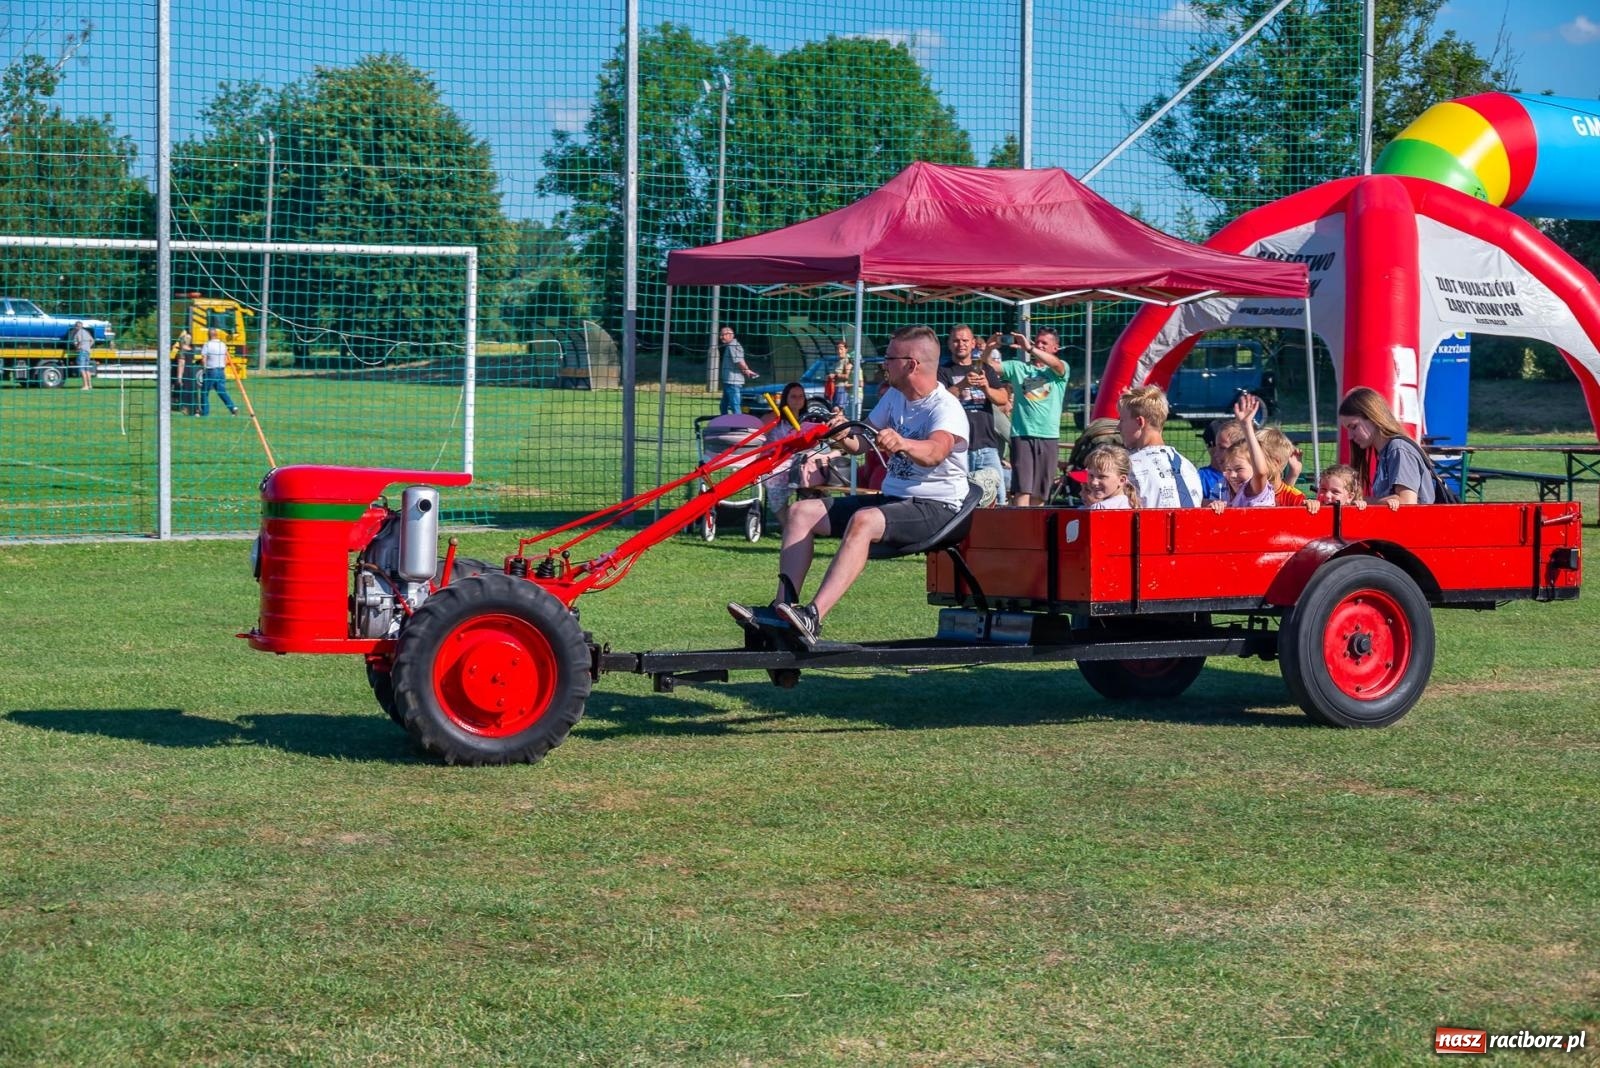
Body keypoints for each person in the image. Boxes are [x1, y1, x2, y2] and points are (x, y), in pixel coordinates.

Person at [730, 324, 968, 648]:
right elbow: (861, 443)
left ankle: (813, 616)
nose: (884, 363)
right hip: (895, 500)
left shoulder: (945, 407)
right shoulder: (896, 397)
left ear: (912, 363)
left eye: (890, 357)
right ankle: (781, 609)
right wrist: (840, 431)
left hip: (936, 508)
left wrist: (902, 442)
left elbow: (936, 452)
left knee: (864, 519)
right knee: (800, 512)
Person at [995, 326, 1068, 507]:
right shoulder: (1017, 367)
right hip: (1023, 435)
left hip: (1048, 437)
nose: (1040, 346)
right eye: (1038, 342)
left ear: (1055, 348)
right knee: (1022, 489)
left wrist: (1030, 349)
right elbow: (991, 367)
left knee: (1040, 493)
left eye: (1045, 343)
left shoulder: (1059, 370)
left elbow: (1057, 365)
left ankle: (1036, 531)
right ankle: (1021, 529)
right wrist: (989, 347)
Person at [939, 324, 1011, 505]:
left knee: (999, 498)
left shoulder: (985, 368)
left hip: (987, 446)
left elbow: (1002, 399)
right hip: (958, 449)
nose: (960, 344)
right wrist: (962, 384)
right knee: (960, 500)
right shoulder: (943, 371)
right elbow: (939, 401)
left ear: (973, 344)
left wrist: (986, 388)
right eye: (956, 340)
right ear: (949, 344)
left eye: (965, 340)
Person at [1337, 386, 1436, 505]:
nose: (1350, 436)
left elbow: (1407, 502)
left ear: (1373, 418)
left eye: (1354, 427)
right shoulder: (1387, 452)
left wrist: (1357, 502)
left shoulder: (1398, 449)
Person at [1118, 384, 1203, 508]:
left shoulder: (1130, 466)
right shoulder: (1189, 466)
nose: (1118, 427)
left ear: (1139, 422)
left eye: (1122, 420)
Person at [1207, 393, 1275, 511]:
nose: (1232, 475)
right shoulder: (1223, 485)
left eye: (1239, 469)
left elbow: (1260, 473)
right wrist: (1212, 504)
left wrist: (1246, 425)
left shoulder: (1253, 489)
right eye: (1228, 470)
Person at [763, 381, 812, 527]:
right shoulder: (775, 418)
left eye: (801, 396)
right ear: (786, 399)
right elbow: (759, 436)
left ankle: (809, 523)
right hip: (777, 461)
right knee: (774, 480)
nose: (798, 400)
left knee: (812, 480)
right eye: (793, 397)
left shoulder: (808, 420)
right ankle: (788, 526)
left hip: (802, 461)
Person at [1079, 444, 1141, 510]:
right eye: (1091, 475)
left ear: (1121, 480)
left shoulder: (1100, 508)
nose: (1094, 482)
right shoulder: (1132, 504)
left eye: (1102, 477)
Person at [1304, 463, 1384, 514]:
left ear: (1350, 497)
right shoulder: (1314, 507)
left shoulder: (1353, 509)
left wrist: (1358, 509)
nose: (1327, 495)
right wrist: (1308, 505)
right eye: (1323, 489)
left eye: (1335, 492)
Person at [1258, 426, 1306, 506]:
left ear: (1276, 463)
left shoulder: (1296, 498)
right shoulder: (1245, 492)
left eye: (1256, 459)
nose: (1251, 463)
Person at [1199, 418, 1245, 502]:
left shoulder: (1251, 484)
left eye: (1222, 448)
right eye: (1216, 446)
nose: (1215, 454)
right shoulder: (1220, 486)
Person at [196, 329, 239, 417]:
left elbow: (204, 358)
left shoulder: (207, 344)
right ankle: (233, 407)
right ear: (217, 335)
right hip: (221, 370)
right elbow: (226, 358)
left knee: (204, 392)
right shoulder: (222, 345)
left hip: (211, 370)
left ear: (209, 335)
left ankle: (205, 412)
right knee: (221, 391)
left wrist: (204, 368)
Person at [718, 325, 756, 415]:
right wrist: (746, 370)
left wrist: (747, 370)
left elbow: (739, 361)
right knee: (723, 406)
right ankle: (725, 423)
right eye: (721, 335)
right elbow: (740, 361)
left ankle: (739, 425)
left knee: (735, 406)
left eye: (723, 335)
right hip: (729, 381)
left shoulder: (733, 345)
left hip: (733, 382)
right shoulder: (730, 346)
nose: (721, 337)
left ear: (731, 335)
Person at [170, 329, 196, 414]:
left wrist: (179, 378)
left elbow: (181, 364)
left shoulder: (182, 352)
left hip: (184, 373)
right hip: (190, 373)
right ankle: (193, 408)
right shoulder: (191, 350)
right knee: (190, 390)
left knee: (182, 390)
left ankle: (183, 407)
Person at [830, 339, 855, 415]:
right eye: (837, 349)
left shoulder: (846, 361)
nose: (839, 351)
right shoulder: (838, 361)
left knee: (838, 410)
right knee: (835, 409)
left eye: (841, 349)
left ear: (846, 350)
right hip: (836, 388)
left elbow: (846, 376)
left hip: (842, 388)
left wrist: (835, 375)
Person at [69, 321, 94, 390]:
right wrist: (88, 346)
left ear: (77, 326)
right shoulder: (86, 332)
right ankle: (90, 385)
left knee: (82, 369)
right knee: (87, 369)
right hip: (87, 351)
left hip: (82, 352)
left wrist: (78, 347)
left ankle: (85, 386)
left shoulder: (78, 333)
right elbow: (92, 340)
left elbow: (79, 342)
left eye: (75, 326)